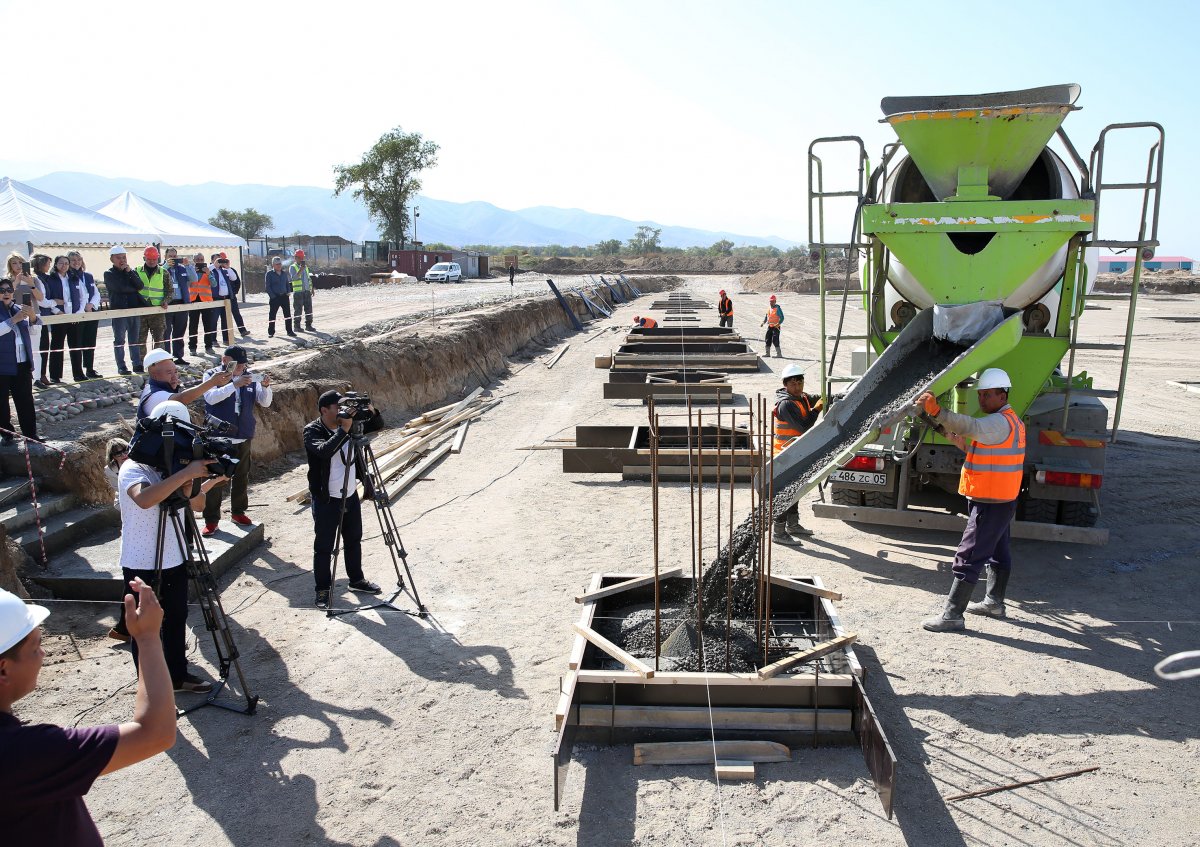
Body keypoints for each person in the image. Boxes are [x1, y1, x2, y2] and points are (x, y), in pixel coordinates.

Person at [0, 581, 177, 846]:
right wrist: (148, 637)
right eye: (36, 647)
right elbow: (155, 732)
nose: (44, 653)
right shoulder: (24, 754)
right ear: (3, 669)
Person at [118, 400, 227, 691]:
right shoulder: (132, 467)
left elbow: (199, 505)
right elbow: (144, 499)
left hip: (175, 555)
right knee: (145, 627)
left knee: (176, 618)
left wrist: (195, 477)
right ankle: (150, 689)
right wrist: (185, 473)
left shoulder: (176, 467)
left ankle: (177, 676)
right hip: (142, 560)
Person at [917, 368, 1026, 633]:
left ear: (1003, 395)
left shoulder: (999, 422)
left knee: (969, 555)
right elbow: (973, 443)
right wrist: (945, 431)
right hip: (1001, 498)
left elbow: (972, 427)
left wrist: (937, 411)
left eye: (987, 395)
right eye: (980, 394)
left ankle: (953, 615)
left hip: (991, 500)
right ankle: (994, 603)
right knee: (998, 553)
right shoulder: (1008, 422)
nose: (982, 399)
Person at [304, 390, 383, 608]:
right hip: (326, 498)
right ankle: (323, 589)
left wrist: (371, 411)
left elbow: (377, 425)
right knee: (324, 547)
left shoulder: (349, 424)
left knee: (353, 539)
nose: (344, 411)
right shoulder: (313, 430)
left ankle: (356, 580)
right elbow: (323, 451)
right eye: (338, 407)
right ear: (324, 410)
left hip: (349, 494)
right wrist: (344, 430)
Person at [200, 346, 272, 535]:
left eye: (243, 364)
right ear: (225, 361)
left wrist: (265, 387)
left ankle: (238, 512)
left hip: (243, 434)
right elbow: (211, 399)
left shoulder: (250, 377)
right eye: (237, 365)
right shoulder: (211, 375)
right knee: (214, 477)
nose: (241, 368)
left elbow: (265, 402)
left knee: (241, 475)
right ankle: (211, 519)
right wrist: (234, 384)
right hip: (218, 437)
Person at [771, 364, 822, 546]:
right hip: (783, 455)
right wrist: (817, 409)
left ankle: (793, 525)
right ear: (786, 385)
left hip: (796, 453)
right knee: (785, 492)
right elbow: (803, 426)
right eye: (793, 384)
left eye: (800, 383)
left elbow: (818, 397)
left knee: (796, 490)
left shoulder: (802, 398)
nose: (798, 387)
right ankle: (778, 532)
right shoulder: (786, 404)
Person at [136, 348, 232, 421]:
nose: (174, 377)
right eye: (169, 373)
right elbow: (182, 398)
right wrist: (212, 382)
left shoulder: (159, 388)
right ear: (154, 375)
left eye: (176, 372)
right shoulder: (154, 395)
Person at [0, 279, 39, 445]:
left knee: (25, 402)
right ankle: (7, 435)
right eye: (2, 290)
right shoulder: (16, 314)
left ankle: (31, 435)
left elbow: (35, 332)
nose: (6, 292)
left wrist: (32, 318)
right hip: (2, 366)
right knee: (1, 404)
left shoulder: (19, 309)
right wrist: (13, 320)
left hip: (22, 364)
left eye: (9, 289)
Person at [4, 254, 49, 389]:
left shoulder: (34, 279)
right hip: (15, 317)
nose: (18, 265)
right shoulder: (7, 281)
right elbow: (6, 297)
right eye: (14, 263)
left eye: (20, 262)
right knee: (16, 348)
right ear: (10, 266)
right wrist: (16, 282)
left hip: (33, 317)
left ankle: (36, 378)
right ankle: (17, 379)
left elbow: (41, 299)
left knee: (35, 348)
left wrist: (31, 285)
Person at [104, 438, 132, 642]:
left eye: (125, 450)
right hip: (131, 522)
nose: (123, 454)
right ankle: (125, 627)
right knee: (132, 583)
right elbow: (120, 498)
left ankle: (125, 627)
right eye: (118, 453)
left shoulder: (139, 461)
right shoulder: (111, 470)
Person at [104, 246, 146, 375]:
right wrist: (133, 288)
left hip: (133, 310)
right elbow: (120, 288)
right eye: (118, 258)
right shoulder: (109, 274)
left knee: (134, 339)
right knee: (119, 340)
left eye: (124, 257)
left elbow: (140, 285)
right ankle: (121, 366)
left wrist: (129, 272)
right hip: (119, 311)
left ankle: (137, 364)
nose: (122, 260)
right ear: (112, 259)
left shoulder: (130, 272)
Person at [66, 252, 102, 380]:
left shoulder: (88, 276)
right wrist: (82, 308)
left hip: (90, 313)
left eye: (78, 259)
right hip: (76, 315)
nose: (76, 262)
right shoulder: (67, 277)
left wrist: (91, 305)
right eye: (73, 260)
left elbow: (95, 293)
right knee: (76, 344)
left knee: (90, 342)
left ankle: (90, 369)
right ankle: (77, 372)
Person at [162, 249, 196, 365]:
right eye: (170, 256)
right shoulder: (161, 268)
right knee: (166, 332)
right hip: (167, 304)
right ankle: (166, 357)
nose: (173, 258)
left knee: (179, 332)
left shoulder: (182, 268)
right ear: (165, 256)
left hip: (181, 303)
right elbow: (158, 275)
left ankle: (178, 356)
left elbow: (194, 279)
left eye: (175, 256)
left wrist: (188, 265)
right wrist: (166, 266)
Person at [31, 254, 56, 387]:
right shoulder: (36, 279)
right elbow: (42, 301)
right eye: (47, 263)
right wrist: (54, 303)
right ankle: (38, 375)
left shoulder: (44, 278)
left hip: (43, 317)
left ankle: (41, 374)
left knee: (44, 347)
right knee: (41, 347)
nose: (49, 266)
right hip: (40, 316)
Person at [186, 253, 217, 355]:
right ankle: (192, 348)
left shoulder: (208, 271)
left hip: (206, 301)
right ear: (194, 260)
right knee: (193, 325)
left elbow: (214, 284)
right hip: (194, 300)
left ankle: (209, 346)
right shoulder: (190, 270)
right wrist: (192, 273)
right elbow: (187, 284)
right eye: (198, 259)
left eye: (202, 259)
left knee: (208, 325)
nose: (200, 261)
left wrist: (208, 274)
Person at [213, 253, 248, 337]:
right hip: (219, 298)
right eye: (220, 260)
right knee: (221, 318)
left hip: (231, 296)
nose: (222, 262)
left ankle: (242, 330)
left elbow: (237, 281)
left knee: (236, 313)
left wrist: (234, 292)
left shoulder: (230, 270)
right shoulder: (213, 270)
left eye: (223, 260)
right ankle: (221, 337)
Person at [264, 256, 296, 338]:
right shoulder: (269, 274)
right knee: (272, 315)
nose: (279, 265)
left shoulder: (284, 273)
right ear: (273, 265)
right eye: (277, 264)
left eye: (279, 264)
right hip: (275, 297)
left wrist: (288, 291)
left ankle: (289, 331)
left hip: (284, 297)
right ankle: (271, 332)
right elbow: (268, 287)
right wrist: (273, 297)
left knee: (287, 315)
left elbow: (287, 283)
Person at [288, 250, 315, 333]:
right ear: (295, 258)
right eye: (300, 257)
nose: (301, 259)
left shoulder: (306, 267)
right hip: (298, 292)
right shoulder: (293, 267)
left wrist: (312, 288)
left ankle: (308, 325)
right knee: (298, 310)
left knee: (309, 309)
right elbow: (294, 278)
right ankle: (297, 326)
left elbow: (308, 279)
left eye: (302, 257)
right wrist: (300, 270)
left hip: (307, 291)